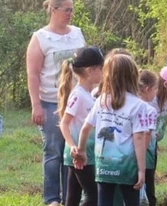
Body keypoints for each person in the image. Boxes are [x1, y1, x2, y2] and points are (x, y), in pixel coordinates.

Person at [26, 0, 85, 206]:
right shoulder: (40, 37)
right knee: (54, 151)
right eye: (66, 10)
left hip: (77, 100)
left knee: (72, 151)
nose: (70, 14)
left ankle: (71, 198)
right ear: (53, 10)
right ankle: (52, 198)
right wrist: (36, 105)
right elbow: (32, 73)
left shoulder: (77, 33)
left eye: (72, 10)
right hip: (51, 101)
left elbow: (84, 65)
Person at [75, 54, 147, 206]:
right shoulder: (138, 105)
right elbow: (139, 138)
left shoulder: (101, 100)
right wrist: (141, 170)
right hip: (128, 166)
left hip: (104, 165)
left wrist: (81, 152)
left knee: (104, 201)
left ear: (107, 76)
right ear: (133, 76)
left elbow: (86, 128)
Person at [57, 46, 104, 206]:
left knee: (73, 197)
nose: (103, 72)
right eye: (101, 68)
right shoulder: (78, 95)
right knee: (93, 196)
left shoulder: (89, 94)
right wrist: (72, 146)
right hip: (80, 155)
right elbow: (64, 123)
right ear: (91, 71)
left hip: (85, 153)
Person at [138, 69, 158, 206]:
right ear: (147, 89)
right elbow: (146, 135)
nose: (156, 92)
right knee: (148, 190)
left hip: (130, 157)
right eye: (156, 88)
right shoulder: (149, 110)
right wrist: (140, 158)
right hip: (146, 158)